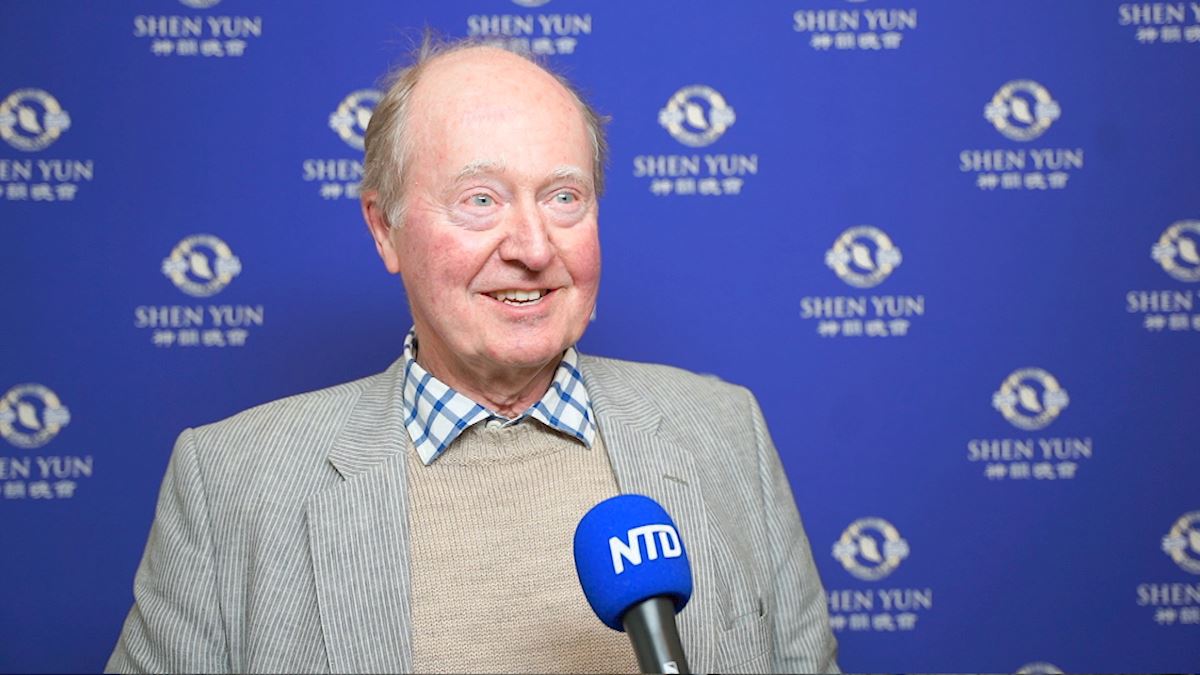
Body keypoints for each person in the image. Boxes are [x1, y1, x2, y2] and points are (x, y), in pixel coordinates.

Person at [107, 36, 839, 674]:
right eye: (481, 200)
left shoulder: (725, 431)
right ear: (385, 227)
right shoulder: (230, 483)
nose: (532, 247)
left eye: (563, 197)